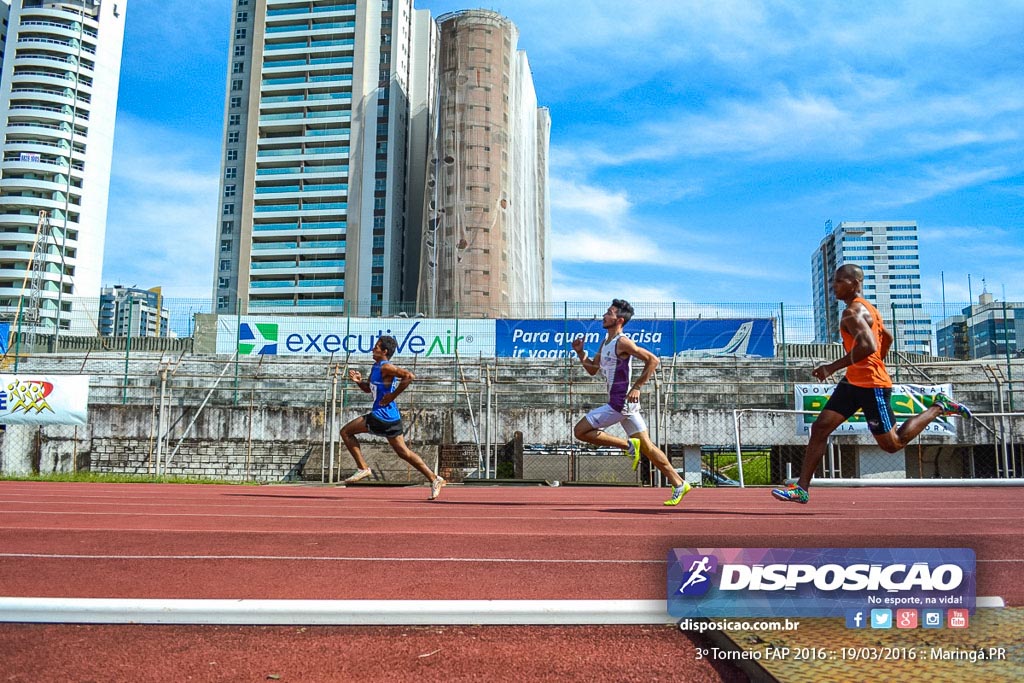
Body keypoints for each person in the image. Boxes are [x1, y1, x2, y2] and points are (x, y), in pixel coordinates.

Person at [772, 264, 971, 504]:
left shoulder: (852, 312)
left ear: (854, 283)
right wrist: (874, 362)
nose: (833, 286)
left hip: (871, 386)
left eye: (838, 281)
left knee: (892, 444)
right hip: (854, 382)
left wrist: (831, 367)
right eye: (833, 281)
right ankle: (802, 488)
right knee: (820, 428)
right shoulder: (868, 310)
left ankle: (939, 406)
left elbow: (868, 346)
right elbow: (886, 338)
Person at [571, 299, 692, 506]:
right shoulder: (605, 342)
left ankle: (627, 445)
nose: (603, 316)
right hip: (623, 404)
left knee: (580, 431)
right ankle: (679, 483)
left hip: (620, 404)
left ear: (618, 320)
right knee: (648, 447)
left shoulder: (622, 342)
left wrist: (637, 386)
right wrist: (580, 352)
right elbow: (593, 369)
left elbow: (653, 360)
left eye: (608, 313)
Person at [340, 335, 445, 500]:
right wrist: (358, 382)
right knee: (404, 452)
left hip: (381, 415)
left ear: (385, 351)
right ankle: (434, 478)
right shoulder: (375, 367)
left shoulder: (386, 366)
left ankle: (363, 468)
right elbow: (369, 389)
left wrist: (392, 396)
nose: (373, 349)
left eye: (376, 347)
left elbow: (409, 376)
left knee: (346, 432)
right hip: (392, 417)